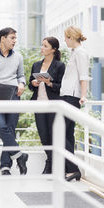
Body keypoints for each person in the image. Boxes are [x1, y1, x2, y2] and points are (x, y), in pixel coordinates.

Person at [0, 27, 29, 176]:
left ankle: (5, 166)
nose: (15, 41)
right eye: (12, 38)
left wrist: (22, 84)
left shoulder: (18, 57)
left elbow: (21, 75)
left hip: (14, 95)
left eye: (15, 38)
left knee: (10, 129)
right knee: (1, 127)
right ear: (3, 38)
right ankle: (20, 156)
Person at [28, 37, 65, 174]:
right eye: (42, 45)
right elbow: (30, 84)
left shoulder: (60, 66)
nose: (42, 48)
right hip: (38, 104)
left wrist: (49, 83)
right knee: (43, 135)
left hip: (53, 105)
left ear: (53, 50)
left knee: (53, 135)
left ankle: (50, 165)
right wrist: (33, 83)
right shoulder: (36, 65)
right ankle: (51, 162)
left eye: (45, 46)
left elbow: (61, 87)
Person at [60, 26, 90, 182]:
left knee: (61, 131)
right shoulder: (74, 53)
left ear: (71, 37)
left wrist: (83, 95)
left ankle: (72, 169)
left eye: (65, 38)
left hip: (72, 97)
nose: (64, 41)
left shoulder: (81, 53)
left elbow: (84, 76)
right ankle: (71, 169)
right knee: (67, 133)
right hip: (66, 96)